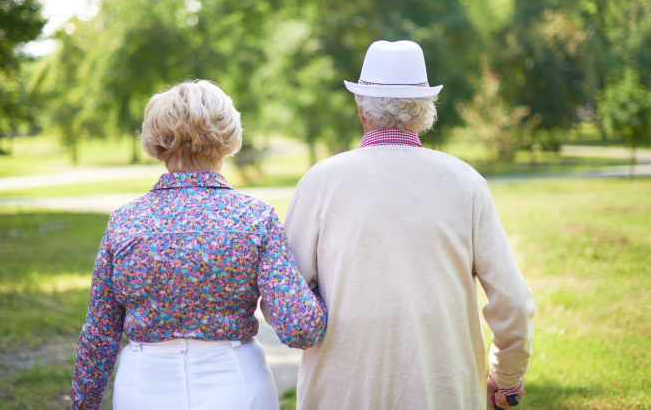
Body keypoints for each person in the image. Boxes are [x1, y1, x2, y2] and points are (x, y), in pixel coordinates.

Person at [281, 41, 535, 410]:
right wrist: (507, 379)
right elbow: (512, 302)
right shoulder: (465, 182)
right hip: (443, 393)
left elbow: (283, 302)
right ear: (425, 111)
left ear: (360, 108)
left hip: (341, 395)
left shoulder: (320, 182)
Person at [71, 80, 327, 410]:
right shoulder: (254, 218)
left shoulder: (125, 221)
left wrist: (83, 403)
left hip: (144, 386)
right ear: (228, 138)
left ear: (156, 141)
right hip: (236, 383)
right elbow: (301, 328)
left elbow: (100, 334)